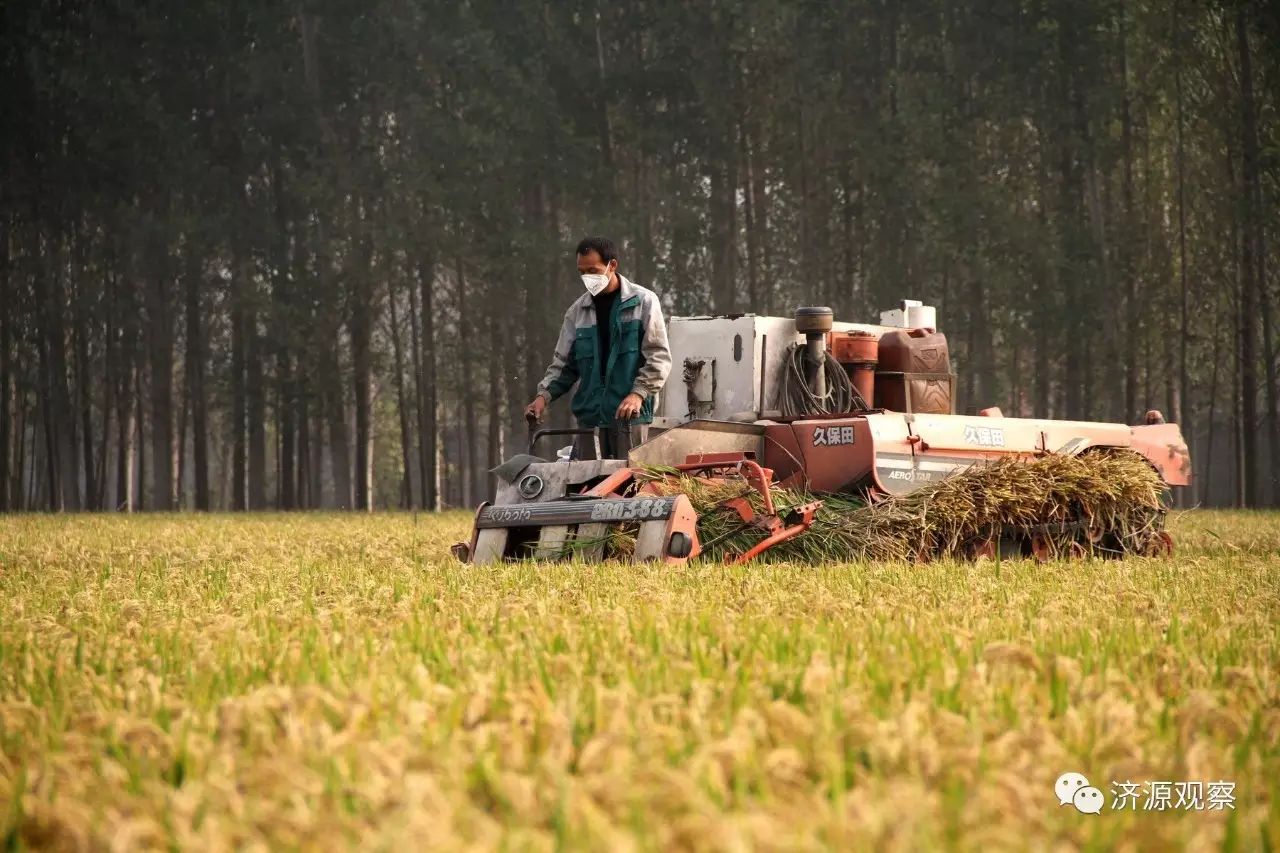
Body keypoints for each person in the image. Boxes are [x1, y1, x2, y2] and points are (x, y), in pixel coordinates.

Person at [525, 237, 671, 460]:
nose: (587, 278)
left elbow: (658, 358)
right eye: (582, 272)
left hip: (631, 420)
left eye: (593, 270)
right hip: (590, 422)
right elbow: (564, 366)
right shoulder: (577, 312)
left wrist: (638, 394)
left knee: (632, 487)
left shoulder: (643, 302)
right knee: (587, 489)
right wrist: (542, 397)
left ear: (612, 265)